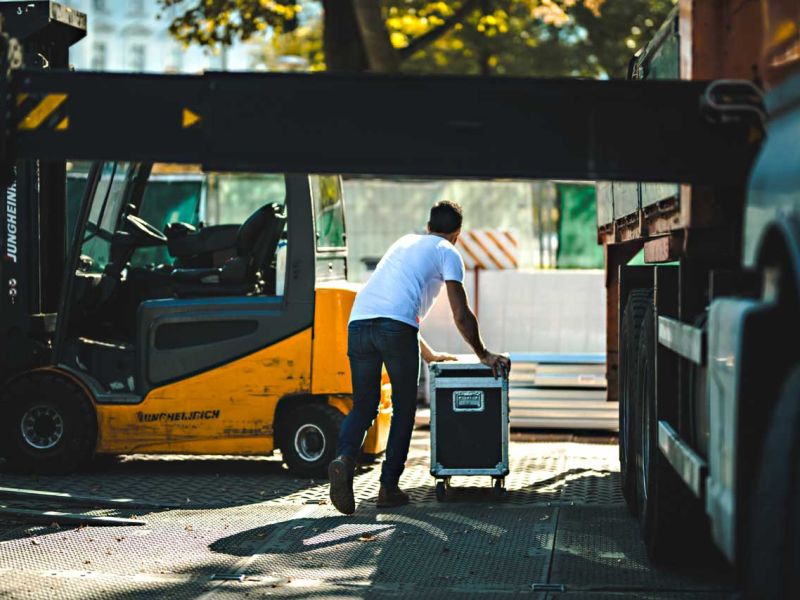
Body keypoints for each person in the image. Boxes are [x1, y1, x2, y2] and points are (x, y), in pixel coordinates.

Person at [328, 200, 511, 515]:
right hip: (394, 329)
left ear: (428, 226)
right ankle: (388, 487)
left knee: (364, 405)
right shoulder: (448, 252)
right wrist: (483, 353)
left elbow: (394, 312)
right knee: (403, 409)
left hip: (358, 323)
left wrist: (428, 354)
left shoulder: (404, 242)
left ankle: (344, 459)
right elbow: (460, 313)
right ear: (457, 234)